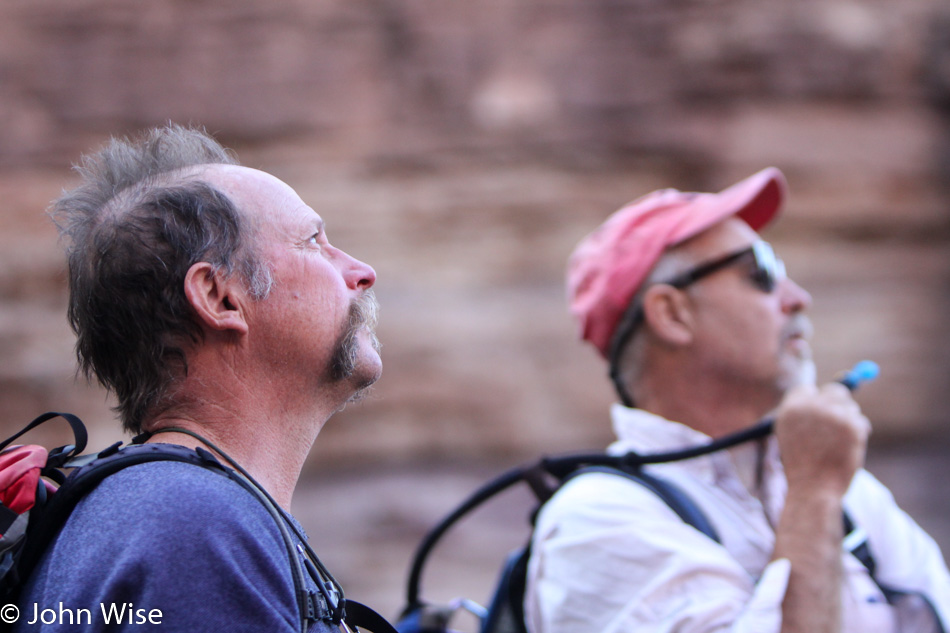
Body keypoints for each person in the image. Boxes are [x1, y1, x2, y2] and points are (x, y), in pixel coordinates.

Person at [523, 168, 950, 633]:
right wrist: (814, 498)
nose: (798, 298)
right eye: (761, 272)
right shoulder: (597, 524)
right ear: (671, 314)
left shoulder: (853, 494)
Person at [14, 124, 383, 632]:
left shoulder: (159, 510)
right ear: (219, 297)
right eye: (314, 241)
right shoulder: (190, 525)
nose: (362, 272)